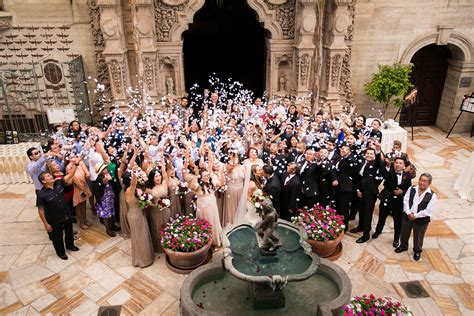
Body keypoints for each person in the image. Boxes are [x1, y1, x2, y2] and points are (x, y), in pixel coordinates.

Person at [36, 164, 80, 260]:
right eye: (48, 176)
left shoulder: (58, 183)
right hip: (54, 219)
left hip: (66, 214)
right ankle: (61, 253)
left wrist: (76, 164)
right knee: (57, 237)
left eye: (50, 175)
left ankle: (70, 245)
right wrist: (46, 224)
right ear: (43, 181)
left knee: (69, 232)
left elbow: (70, 175)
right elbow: (41, 210)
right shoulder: (41, 194)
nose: (51, 176)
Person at [396, 173, 437, 261]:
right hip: (408, 215)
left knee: (418, 235)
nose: (422, 182)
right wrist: (408, 212)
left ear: (429, 183)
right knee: (404, 231)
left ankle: (417, 251)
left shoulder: (432, 195)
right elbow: (406, 200)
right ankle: (403, 246)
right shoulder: (411, 188)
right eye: (421, 180)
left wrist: (415, 216)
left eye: (425, 181)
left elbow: (428, 211)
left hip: (421, 219)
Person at [373, 157, 412, 247]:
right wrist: (386, 166)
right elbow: (384, 174)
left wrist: (402, 192)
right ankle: (378, 231)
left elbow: (409, 189)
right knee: (382, 217)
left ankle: (396, 238)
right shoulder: (389, 172)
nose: (398, 164)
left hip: (399, 202)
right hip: (387, 198)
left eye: (400, 163)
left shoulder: (408, 176)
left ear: (404, 166)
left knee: (397, 221)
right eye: (396, 162)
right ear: (393, 164)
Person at [352, 147, 385, 243]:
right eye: (368, 153)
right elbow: (359, 178)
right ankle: (360, 227)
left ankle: (366, 235)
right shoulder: (363, 163)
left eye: (371, 154)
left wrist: (378, 151)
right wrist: (358, 189)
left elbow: (379, 161)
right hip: (361, 192)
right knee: (361, 211)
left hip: (370, 194)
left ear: (374, 156)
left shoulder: (376, 164)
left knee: (367, 214)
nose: (369, 155)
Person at [124, 172, 155, 267]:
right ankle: (141, 260)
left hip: (140, 213)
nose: (134, 180)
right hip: (134, 215)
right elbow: (133, 182)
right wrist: (135, 173)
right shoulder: (129, 190)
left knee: (144, 233)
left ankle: (147, 257)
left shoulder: (136, 189)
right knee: (139, 236)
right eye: (131, 178)